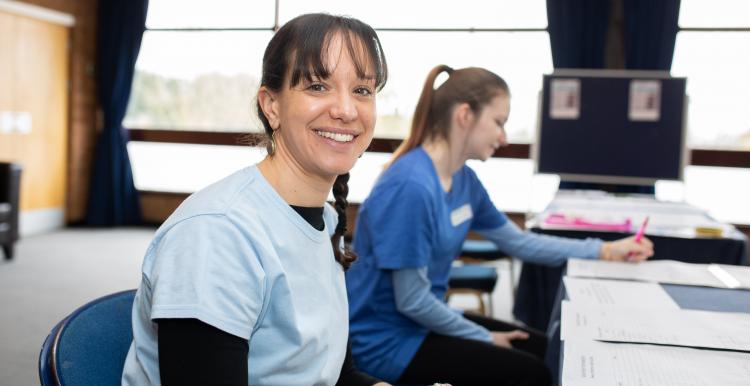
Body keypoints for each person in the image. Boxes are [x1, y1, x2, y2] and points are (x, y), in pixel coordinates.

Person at [121, 13, 391, 386]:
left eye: (362, 90)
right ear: (271, 105)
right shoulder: (217, 233)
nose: (346, 110)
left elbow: (332, 375)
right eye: (317, 86)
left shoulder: (326, 221)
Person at [345, 65, 655, 385]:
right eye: (498, 123)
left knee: (549, 351)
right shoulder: (411, 187)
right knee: (531, 373)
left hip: (422, 322)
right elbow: (411, 299)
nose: (504, 138)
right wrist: (483, 336)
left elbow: (519, 242)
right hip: (386, 341)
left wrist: (603, 250)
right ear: (465, 115)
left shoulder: (464, 181)